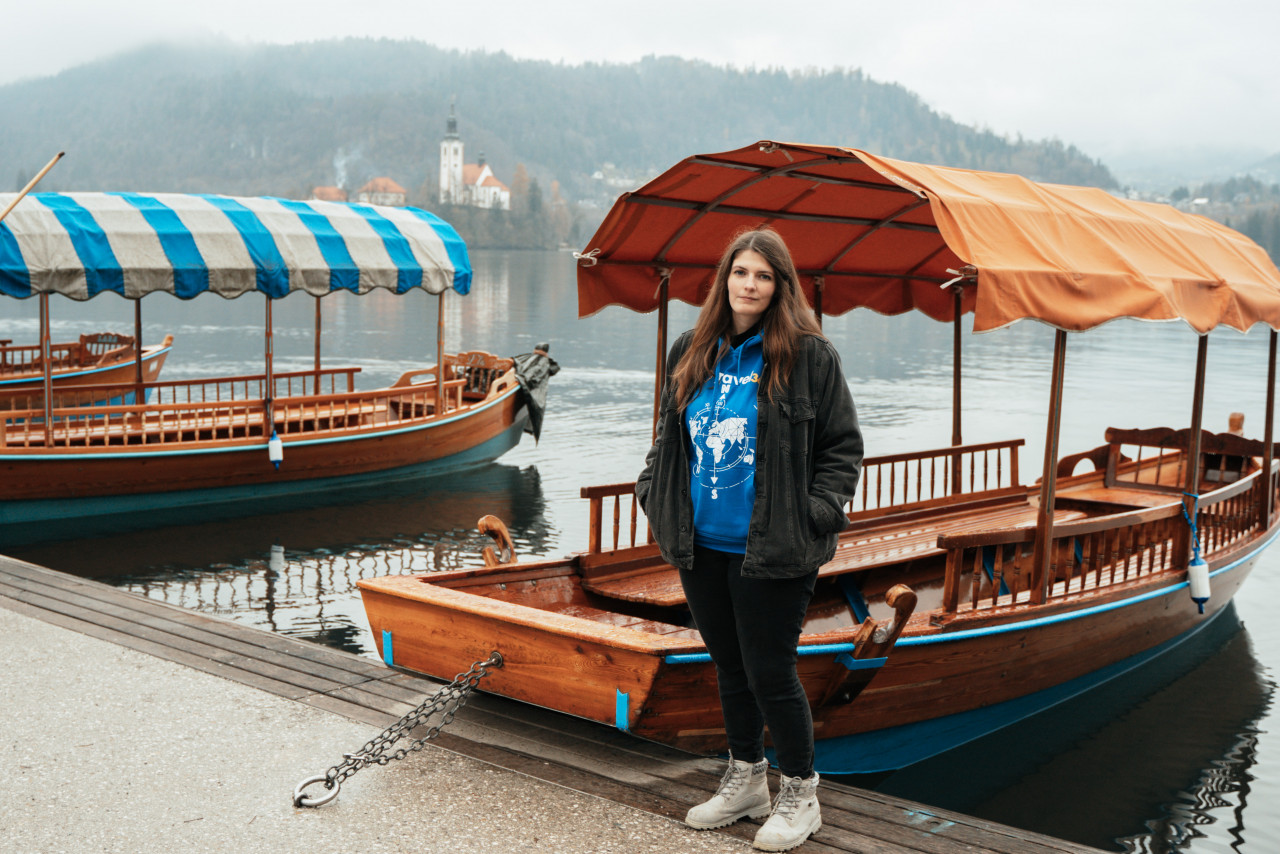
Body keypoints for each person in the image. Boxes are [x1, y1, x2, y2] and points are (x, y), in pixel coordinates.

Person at [635, 227, 862, 851]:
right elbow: (667, 433)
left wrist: (816, 512)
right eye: (741, 273)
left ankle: (800, 794)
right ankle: (745, 779)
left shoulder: (809, 356)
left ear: (779, 284)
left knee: (770, 671)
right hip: (700, 543)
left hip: (773, 547)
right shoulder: (694, 348)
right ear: (725, 280)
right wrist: (654, 494)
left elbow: (842, 448)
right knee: (729, 666)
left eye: (763, 275)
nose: (750, 284)